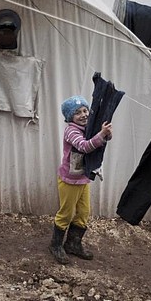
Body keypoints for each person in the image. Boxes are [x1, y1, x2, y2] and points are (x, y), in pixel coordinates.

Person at [50, 95, 113, 264]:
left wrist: (106, 135)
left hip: (83, 177)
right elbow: (85, 146)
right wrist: (101, 135)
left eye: (85, 110)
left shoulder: (88, 128)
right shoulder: (71, 131)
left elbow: (97, 141)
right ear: (70, 117)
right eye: (78, 112)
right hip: (70, 180)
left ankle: (73, 244)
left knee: (83, 213)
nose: (84, 114)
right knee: (66, 213)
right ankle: (55, 245)